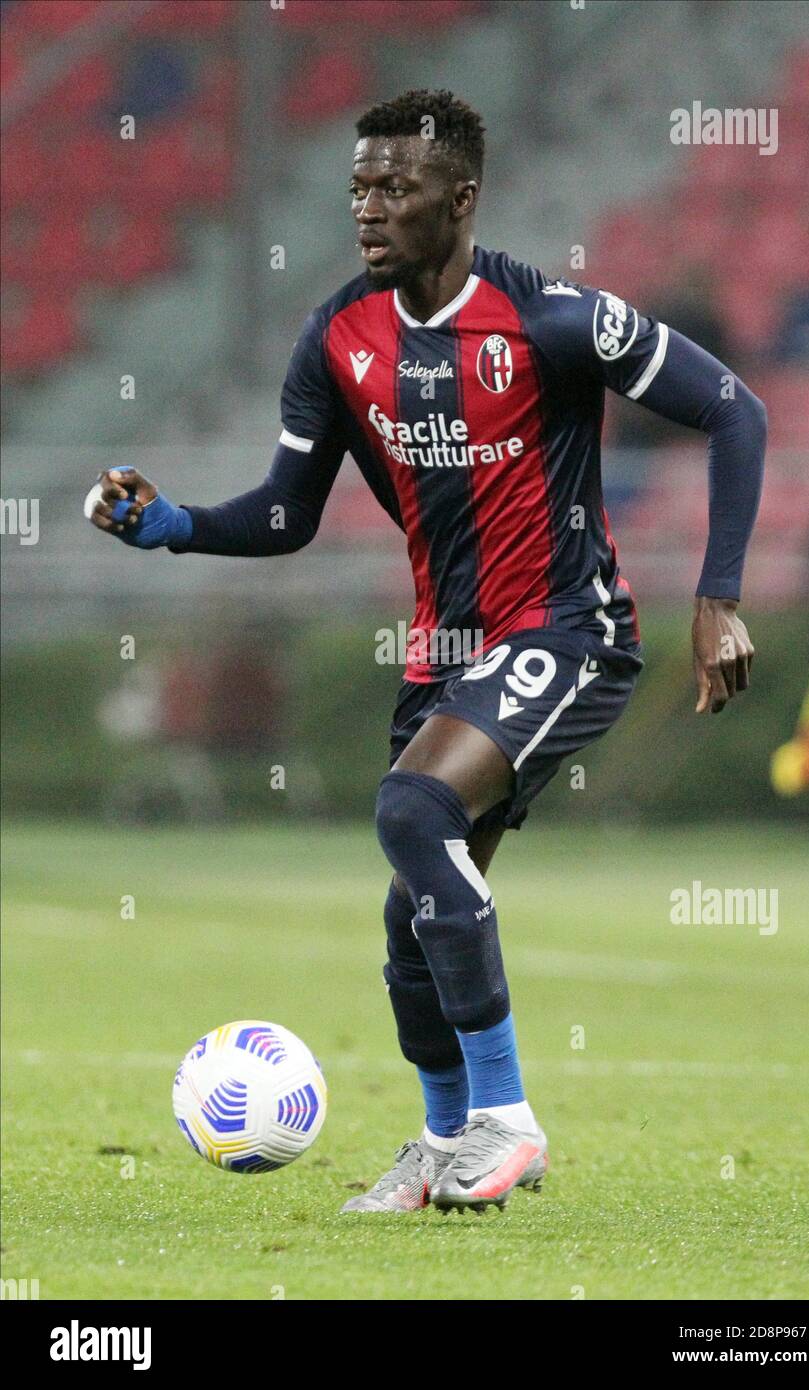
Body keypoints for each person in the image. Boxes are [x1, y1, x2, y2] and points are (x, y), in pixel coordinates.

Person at [85, 90, 765, 1213]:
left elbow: (732, 409)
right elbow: (285, 514)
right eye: (357, 186)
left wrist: (719, 595)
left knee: (409, 813)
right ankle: (447, 1142)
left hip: (567, 629)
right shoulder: (338, 338)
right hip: (444, 657)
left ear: (459, 198)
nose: (367, 207)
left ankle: (505, 1123)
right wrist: (173, 525)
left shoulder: (548, 319)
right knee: (410, 923)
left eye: (393, 187)